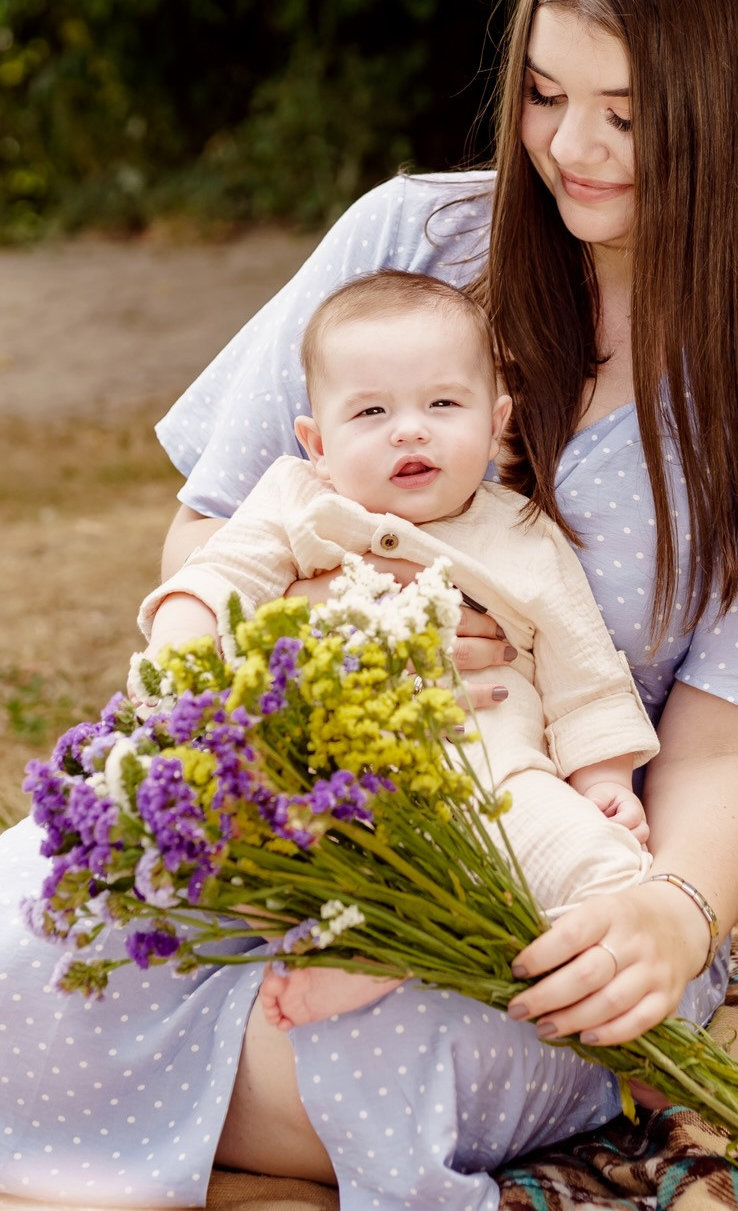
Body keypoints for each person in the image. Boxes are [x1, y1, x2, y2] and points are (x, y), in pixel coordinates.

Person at [0, 0, 738, 1211]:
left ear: (736, 116)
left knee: (379, 1064)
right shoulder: (411, 243)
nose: (570, 149)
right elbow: (214, 528)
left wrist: (668, 916)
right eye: (544, 94)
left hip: (555, 879)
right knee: (25, 930)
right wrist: (301, 698)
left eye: (627, 114)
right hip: (304, 810)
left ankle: (131, 1110)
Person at [139, 268, 662, 1033]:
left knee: (604, 871)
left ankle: (640, 1035)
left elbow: (583, 669)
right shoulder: (298, 502)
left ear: (495, 423)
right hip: (332, 785)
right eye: (372, 411)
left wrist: (604, 774)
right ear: (317, 444)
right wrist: (184, 651)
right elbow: (220, 574)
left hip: (494, 777)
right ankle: (360, 944)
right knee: (241, 848)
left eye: (443, 404)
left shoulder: (521, 533)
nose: (409, 430)